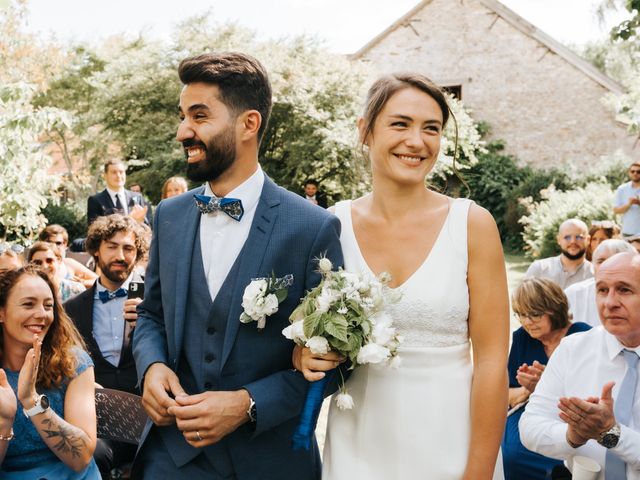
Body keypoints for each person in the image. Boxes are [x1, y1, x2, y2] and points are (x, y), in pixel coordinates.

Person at [131, 52, 343, 479]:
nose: (182, 131)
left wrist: (248, 404)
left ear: (249, 124)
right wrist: (152, 366)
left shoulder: (312, 227)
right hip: (171, 459)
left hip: (268, 461)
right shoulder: (168, 216)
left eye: (199, 116)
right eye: (183, 116)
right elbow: (152, 314)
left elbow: (337, 363)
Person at [293, 73, 509, 479]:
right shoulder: (331, 225)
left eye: (432, 128)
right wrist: (305, 355)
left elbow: (493, 363)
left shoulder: (472, 224)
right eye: (400, 124)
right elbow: (306, 341)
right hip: (358, 444)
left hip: (453, 444)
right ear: (365, 131)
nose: (417, 141)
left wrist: (478, 471)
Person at [520, 251, 640, 478]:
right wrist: (572, 436)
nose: (610, 302)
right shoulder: (573, 349)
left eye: (624, 290)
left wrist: (610, 434)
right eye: (602, 290)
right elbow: (530, 427)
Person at [64, 214, 149, 478]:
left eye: (128, 248)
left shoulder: (155, 304)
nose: (120, 255)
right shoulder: (72, 309)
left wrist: (150, 320)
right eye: (112, 246)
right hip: (97, 417)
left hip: (148, 414)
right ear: (96, 250)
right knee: (93, 455)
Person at [0, 266, 100, 479]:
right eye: (28, 304)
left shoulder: (73, 363)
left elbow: (80, 458)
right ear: (2, 312)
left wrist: (31, 401)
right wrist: (4, 421)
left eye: (48, 306)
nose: (42, 315)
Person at [502, 278, 591, 479]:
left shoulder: (583, 335)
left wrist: (548, 384)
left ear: (554, 308)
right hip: (528, 409)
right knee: (512, 455)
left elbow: (594, 388)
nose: (527, 322)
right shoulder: (521, 338)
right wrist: (529, 390)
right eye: (521, 315)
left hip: (571, 412)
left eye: (534, 314)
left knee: (569, 457)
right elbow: (505, 394)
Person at [565, 239, 636, 327]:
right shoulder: (573, 293)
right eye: (601, 261)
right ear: (592, 265)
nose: (607, 266)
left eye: (615, 260)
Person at [525, 219, 593, 289]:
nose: (573, 241)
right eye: (567, 237)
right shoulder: (539, 269)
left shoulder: (595, 275)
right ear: (559, 240)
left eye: (579, 237)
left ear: (588, 240)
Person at [87, 160, 151, 227]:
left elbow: (146, 227)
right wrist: (130, 219)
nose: (118, 176)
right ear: (105, 176)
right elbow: (94, 231)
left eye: (121, 172)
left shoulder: (137, 197)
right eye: (114, 172)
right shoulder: (95, 201)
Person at [613, 161, 640, 237]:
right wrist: (629, 204)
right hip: (627, 231)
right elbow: (616, 210)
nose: (635, 173)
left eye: (638, 172)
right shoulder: (622, 189)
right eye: (633, 171)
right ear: (629, 173)